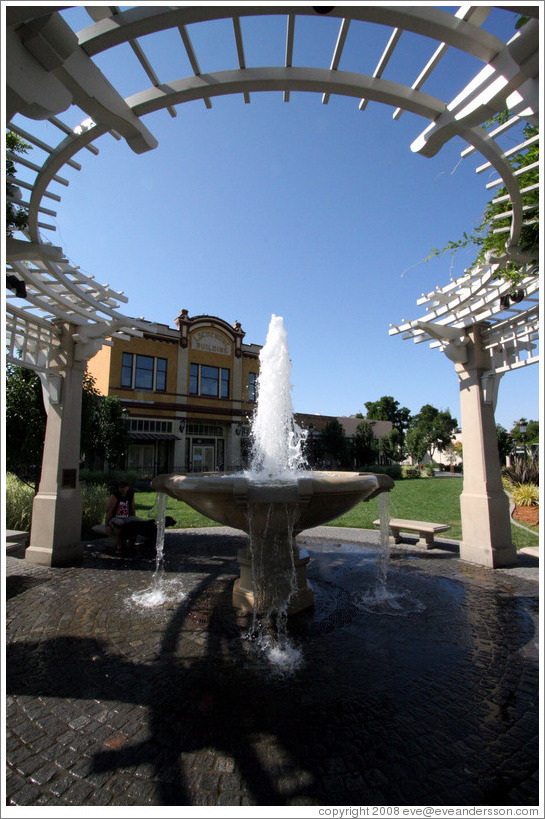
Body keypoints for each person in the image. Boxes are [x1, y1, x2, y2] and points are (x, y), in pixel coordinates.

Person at [104, 479, 139, 553]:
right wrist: (107, 524)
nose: (122, 490)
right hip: (116, 518)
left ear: (127, 488)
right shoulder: (115, 495)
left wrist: (134, 517)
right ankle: (119, 545)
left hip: (127, 517)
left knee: (136, 523)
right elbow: (110, 510)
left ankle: (130, 543)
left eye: (124, 488)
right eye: (120, 488)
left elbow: (132, 507)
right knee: (119, 524)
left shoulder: (130, 494)